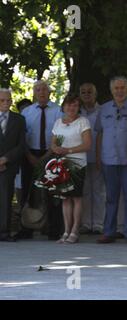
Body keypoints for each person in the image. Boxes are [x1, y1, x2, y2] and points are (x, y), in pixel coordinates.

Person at [95, 76, 127, 245]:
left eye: (122, 88)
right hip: (108, 159)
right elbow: (99, 134)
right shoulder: (103, 109)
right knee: (110, 197)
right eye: (116, 88)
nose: (119, 91)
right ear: (111, 90)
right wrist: (98, 157)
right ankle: (108, 231)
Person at [20, 80, 64, 240]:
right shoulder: (27, 112)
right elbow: (22, 138)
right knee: (28, 191)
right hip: (30, 155)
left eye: (44, 90)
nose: (42, 93)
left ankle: (53, 229)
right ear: (34, 93)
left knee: (53, 193)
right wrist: (29, 156)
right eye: (38, 90)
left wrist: (47, 155)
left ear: (50, 92)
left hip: (51, 153)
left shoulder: (59, 111)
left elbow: (60, 136)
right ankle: (26, 228)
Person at [51, 93, 91, 243]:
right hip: (61, 165)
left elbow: (87, 145)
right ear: (63, 106)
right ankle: (66, 231)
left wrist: (68, 150)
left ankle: (75, 230)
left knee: (76, 197)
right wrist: (56, 149)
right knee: (65, 198)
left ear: (78, 107)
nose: (71, 108)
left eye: (75, 105)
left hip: (78, 164)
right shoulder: (57, 123)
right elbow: (53, 144)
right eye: (69, 105)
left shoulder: (83, 122)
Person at [79, 83, 105, 235]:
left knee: (99, 192)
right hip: (80, 157)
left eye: (89, 92)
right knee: (84, 191)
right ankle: (86, 223)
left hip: (99, 156)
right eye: (83, 92)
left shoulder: (103, 111)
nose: (87, 94)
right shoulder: (77, 111)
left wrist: (101, 156)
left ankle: (99, 224)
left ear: (95, 94)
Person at [0, 88, 26, 242]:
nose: (5, 103)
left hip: (8, 165)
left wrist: (5, 159)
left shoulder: (19, 120)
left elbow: (21, 145)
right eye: (2, 100)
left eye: (8, 100)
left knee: (5, 198)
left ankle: (4, 232)